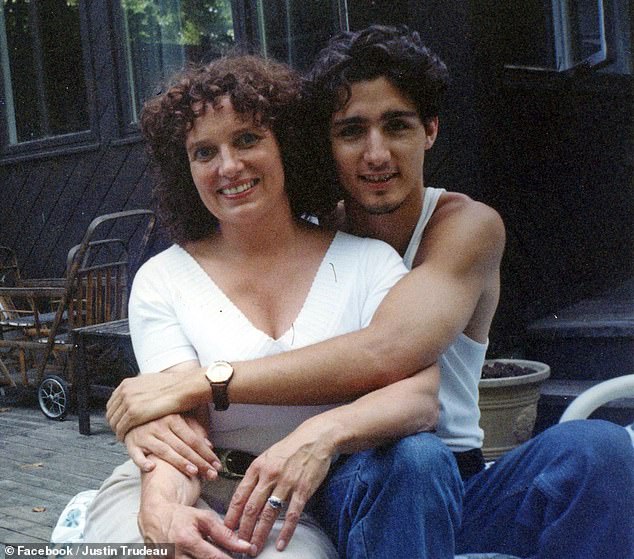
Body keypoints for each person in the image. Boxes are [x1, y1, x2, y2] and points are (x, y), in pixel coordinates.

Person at [106, 26, 634, 559]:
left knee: (599, 448)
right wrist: (148, 426)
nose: (375, 154)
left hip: (446, 469)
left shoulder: (462, 227)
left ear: (429, 130)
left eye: (397, 126)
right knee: (409, 461)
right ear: (324, 144)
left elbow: (390, 351)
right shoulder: (316, 238)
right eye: (352, 131)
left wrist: (209, 384)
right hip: (359, 477)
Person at [84, 54, 444, 559]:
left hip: (284, 506)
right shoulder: (163, 279)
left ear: (287, 147)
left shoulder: (368, 263)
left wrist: (321, 434)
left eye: (248, 139)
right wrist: (163, 514)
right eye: (204, 152)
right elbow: (181, 425)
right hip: (179, 483)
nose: (228, 167)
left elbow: (421, 399)